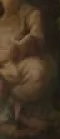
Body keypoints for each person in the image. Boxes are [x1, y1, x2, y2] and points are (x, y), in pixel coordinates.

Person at [0, 0, 53, 129]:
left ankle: (13, 104)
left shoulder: (30, 13)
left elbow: (37, 41)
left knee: (38, 72)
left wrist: (20, 48)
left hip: (19, 63)